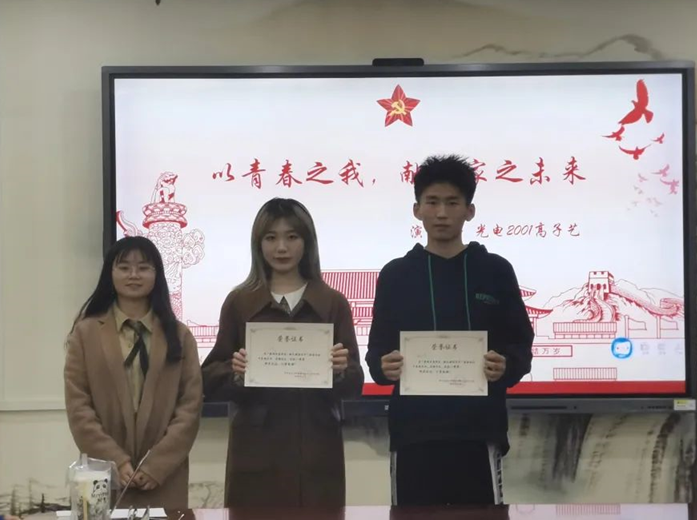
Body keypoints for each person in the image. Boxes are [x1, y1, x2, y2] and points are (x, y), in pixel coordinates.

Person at [366, 154, 534, 506]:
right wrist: (384, 366)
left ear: (469, 211)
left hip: (479, 430)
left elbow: (520, 343)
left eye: (452, 202)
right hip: (413, 433)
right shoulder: (396, 275)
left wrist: (506, 365)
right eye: (432, 202)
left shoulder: (495, 271)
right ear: (417, 210)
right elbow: (377, 352)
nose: (441, 213)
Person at [202, 198, 363, 507]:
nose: (281, 248)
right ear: (258, 243)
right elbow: (208, 378)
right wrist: (235, 372)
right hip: (256, 448)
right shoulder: (239, 302)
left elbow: (355, 382)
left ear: (307, 242)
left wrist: (342, 370)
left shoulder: (332, 302)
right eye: (271, 237)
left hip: (317, 447)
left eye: (292, 237)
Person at [64, 236, 203, 509]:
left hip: (164, 477)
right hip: (103, 475)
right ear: (110, 273)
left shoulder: (180, 335)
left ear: (157, 274)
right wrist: (115, 461)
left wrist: (157, 465)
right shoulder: (86, 333)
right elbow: (79, 406)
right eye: (124, 267)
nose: (134, 275)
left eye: (143, 267)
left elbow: (190, 406)